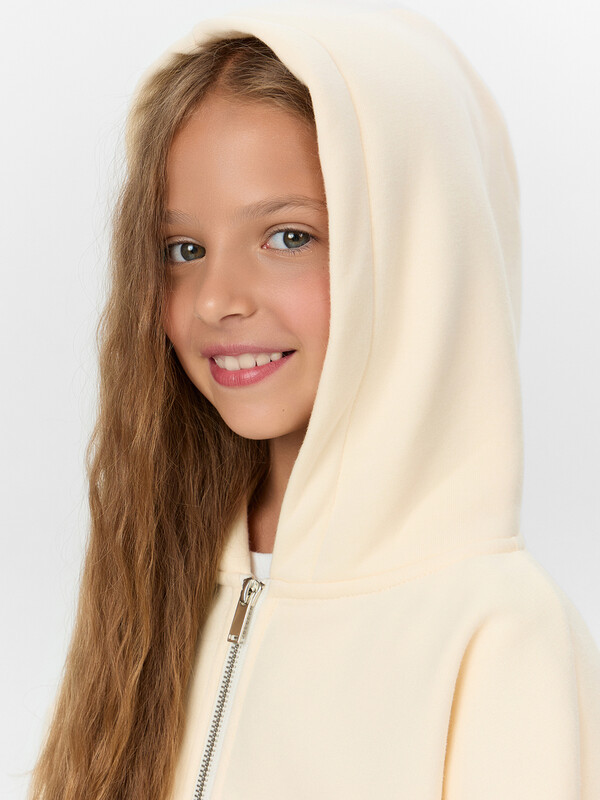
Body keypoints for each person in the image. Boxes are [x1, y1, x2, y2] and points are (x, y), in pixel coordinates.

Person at [29, 2, 600, 799]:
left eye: (288, 237)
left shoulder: (500, 633)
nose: (216, 299)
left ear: (415, 256)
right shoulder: (159, 584)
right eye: (183, 249)